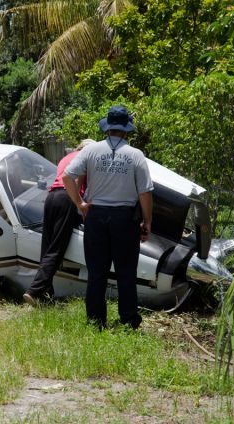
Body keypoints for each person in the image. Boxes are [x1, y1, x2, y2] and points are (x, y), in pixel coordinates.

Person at [62, 106, 153, 330]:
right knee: (126, 271)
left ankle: (95, 320)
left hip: (96, 216)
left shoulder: (91, 151)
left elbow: (66, 176)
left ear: (107, 127)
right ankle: (129, 319)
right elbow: (145, 192)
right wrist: (147, 222)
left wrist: (80, 204)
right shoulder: (135, 155)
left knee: (96, 272)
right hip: (124, 218)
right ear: (126, 131)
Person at [22, 140, 93, 305]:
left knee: (47, 247)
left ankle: (46, 295)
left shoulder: (66, 157)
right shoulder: (87, 158)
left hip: (51, 198)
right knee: (57, 248)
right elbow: (81, 185)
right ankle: (34, 290)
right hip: (67, 198)